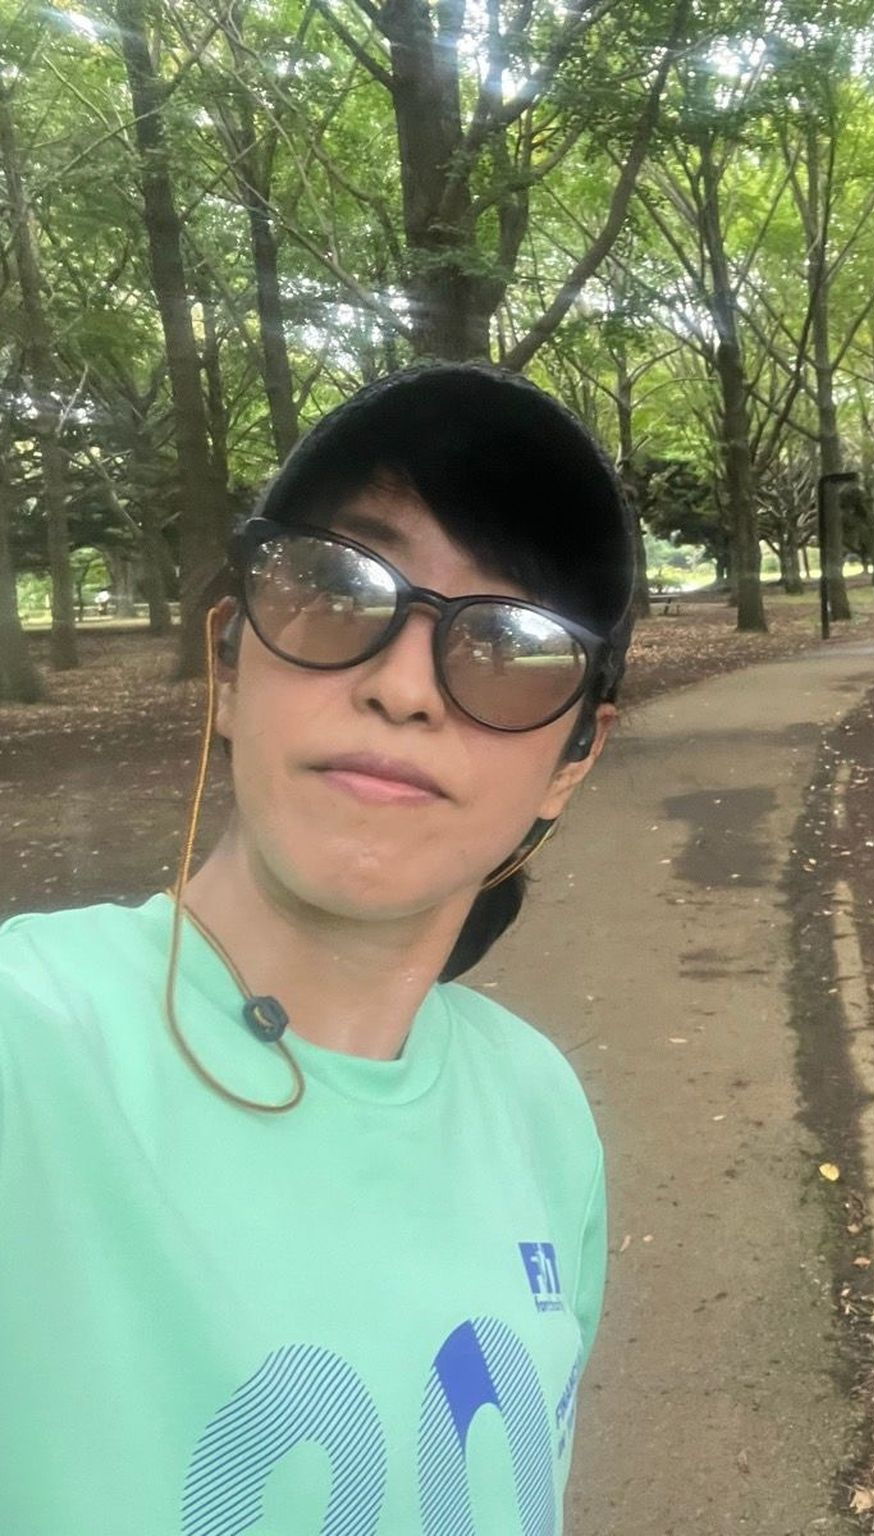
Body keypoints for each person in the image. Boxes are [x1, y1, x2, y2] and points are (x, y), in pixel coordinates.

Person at [0, 363, 633, 1533]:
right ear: (231, 660)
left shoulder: (539, 1110)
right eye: (340, 590)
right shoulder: (30, 1047)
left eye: (512, 644)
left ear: (574, 761)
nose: (404, 686)